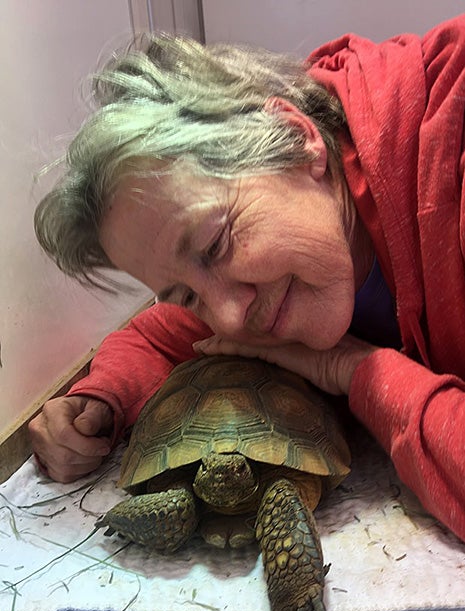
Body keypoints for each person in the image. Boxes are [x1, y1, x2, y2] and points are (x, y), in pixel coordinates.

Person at [29, 15, 465, 544]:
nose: (230, 318)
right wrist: (100, 400)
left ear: (296, 137)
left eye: (216, 245)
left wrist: (355, 371)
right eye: (186, 293)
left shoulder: (452, 136)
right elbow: (152, 336)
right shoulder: (244, 284)